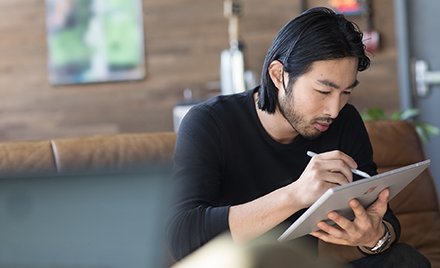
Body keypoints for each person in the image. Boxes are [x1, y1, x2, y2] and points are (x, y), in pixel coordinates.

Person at [166, 7, 430, 267]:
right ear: (279, 75)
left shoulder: (345, 123)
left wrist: (374, 237)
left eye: (346, 92)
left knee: (404, 260)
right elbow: (182, 237)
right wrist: (295, 195)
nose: (334, 110)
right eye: (323, 91)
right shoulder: (209, 123)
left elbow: (383, 217)